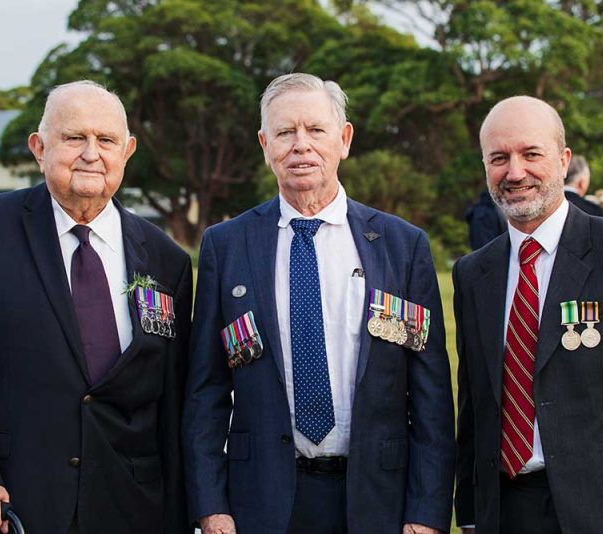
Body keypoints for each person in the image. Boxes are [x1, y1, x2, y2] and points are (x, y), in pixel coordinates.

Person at [182, 73, 455, 534]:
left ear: (344, 140)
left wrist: (426, 513)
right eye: (285, 132)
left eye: (315, 130)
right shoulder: (226, 246)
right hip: (262, 502)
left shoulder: (402, 246)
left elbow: (430, 396)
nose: (300, 145)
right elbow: (205, 391)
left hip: (377, 500)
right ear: (265, 144)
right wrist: (211, 506)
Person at [0, 81, 192, 534]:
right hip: (10, 506)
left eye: (106, 140)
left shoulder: (168, 260)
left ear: (127, 151)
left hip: (132, 510)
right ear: (39, 147)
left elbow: (171, 404)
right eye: (74, 138)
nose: (91, 153)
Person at [453, 95, 603, 533]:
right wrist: (471, 515)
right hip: (505, 512)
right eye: (499, 158)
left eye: (531, 154)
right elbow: (476, 404)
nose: (515, 172)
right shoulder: (474, 273)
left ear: (564, 161)